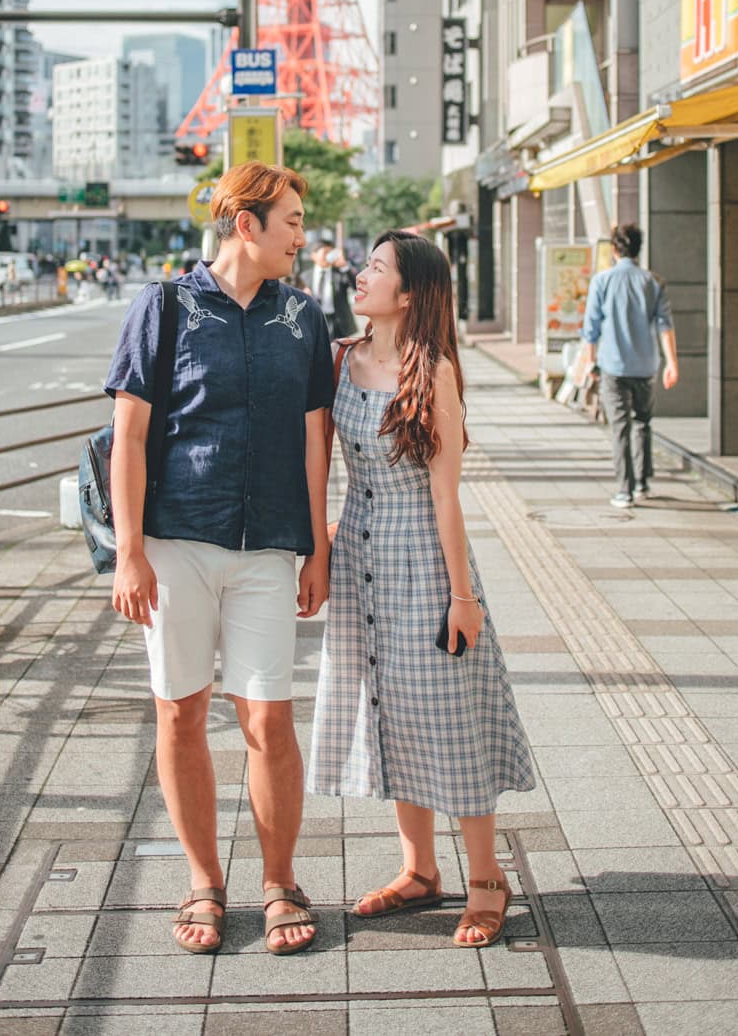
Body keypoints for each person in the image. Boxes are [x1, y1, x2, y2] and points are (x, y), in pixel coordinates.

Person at [105, 162, 334, 957]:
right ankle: (204, 879)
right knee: (181, 710)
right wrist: (128, 552)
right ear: (247, 224)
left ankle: (280, 880)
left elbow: (316, 436)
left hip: (270, 546)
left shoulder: (304, 318)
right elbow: (129, 435)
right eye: (292, 222)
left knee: (268, 716)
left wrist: (317, 542)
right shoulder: (164, 307)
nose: (300, 236)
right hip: (175, 544)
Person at [307, 231, 535, 948]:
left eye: (375, 268)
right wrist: (320, 546)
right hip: (358, 560)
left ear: (408, 294)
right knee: (389, 712)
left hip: (424, 562)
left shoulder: (432, 370)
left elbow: (446, 497)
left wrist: (462, 598)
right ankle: (419, 870)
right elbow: (324, 468)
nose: (361, 274)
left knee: (450, 717)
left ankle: (486, 878)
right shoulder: (340, 358)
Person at [581, 222, 678, 509]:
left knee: (620, 426)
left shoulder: (602, 281)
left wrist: (589, 362)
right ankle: (643, 483)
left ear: (613, 250)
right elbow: (665, 325)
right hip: (646, 365)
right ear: (638, 249)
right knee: (642, 423)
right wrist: (672, 362)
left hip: (613, 365)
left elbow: (591, 328)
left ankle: (624, 490)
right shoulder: (653, 282)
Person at [310, 232, 356, 340]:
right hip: (315, 323)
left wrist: (344, 266)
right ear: (314, 255)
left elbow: (355, 286)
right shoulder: (305, 276)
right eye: (325, 252)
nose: (328, 257)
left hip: (339, 323)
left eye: (331, 253)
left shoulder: (339, 273)